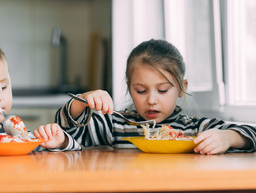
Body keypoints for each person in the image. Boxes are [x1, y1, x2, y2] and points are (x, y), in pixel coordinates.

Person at [55, 39, 256, 154]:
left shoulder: (193, 129)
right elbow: (67, 134)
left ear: (181, 88)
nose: (151, 100)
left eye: (162, 90)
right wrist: (81, 101)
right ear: (129, 88)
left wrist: (229, 137)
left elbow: (252, 133)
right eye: (141, 91)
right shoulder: (116, 126)